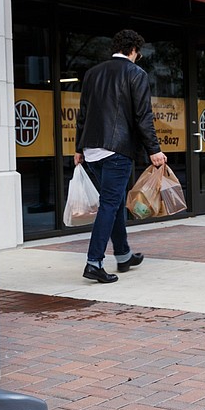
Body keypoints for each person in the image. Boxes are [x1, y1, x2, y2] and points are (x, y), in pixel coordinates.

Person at [74, 29, 167, 283]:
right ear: (134, 50)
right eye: (138, 53)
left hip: (92, 150)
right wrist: (154, 150)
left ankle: (124, 255)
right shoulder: (136, 73)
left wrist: (78, 148)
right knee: (110, 204)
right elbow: (143, 116)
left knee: (112, 203)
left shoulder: (92, 74)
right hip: (117, 150)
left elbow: (82, 114)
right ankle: (94, 262)